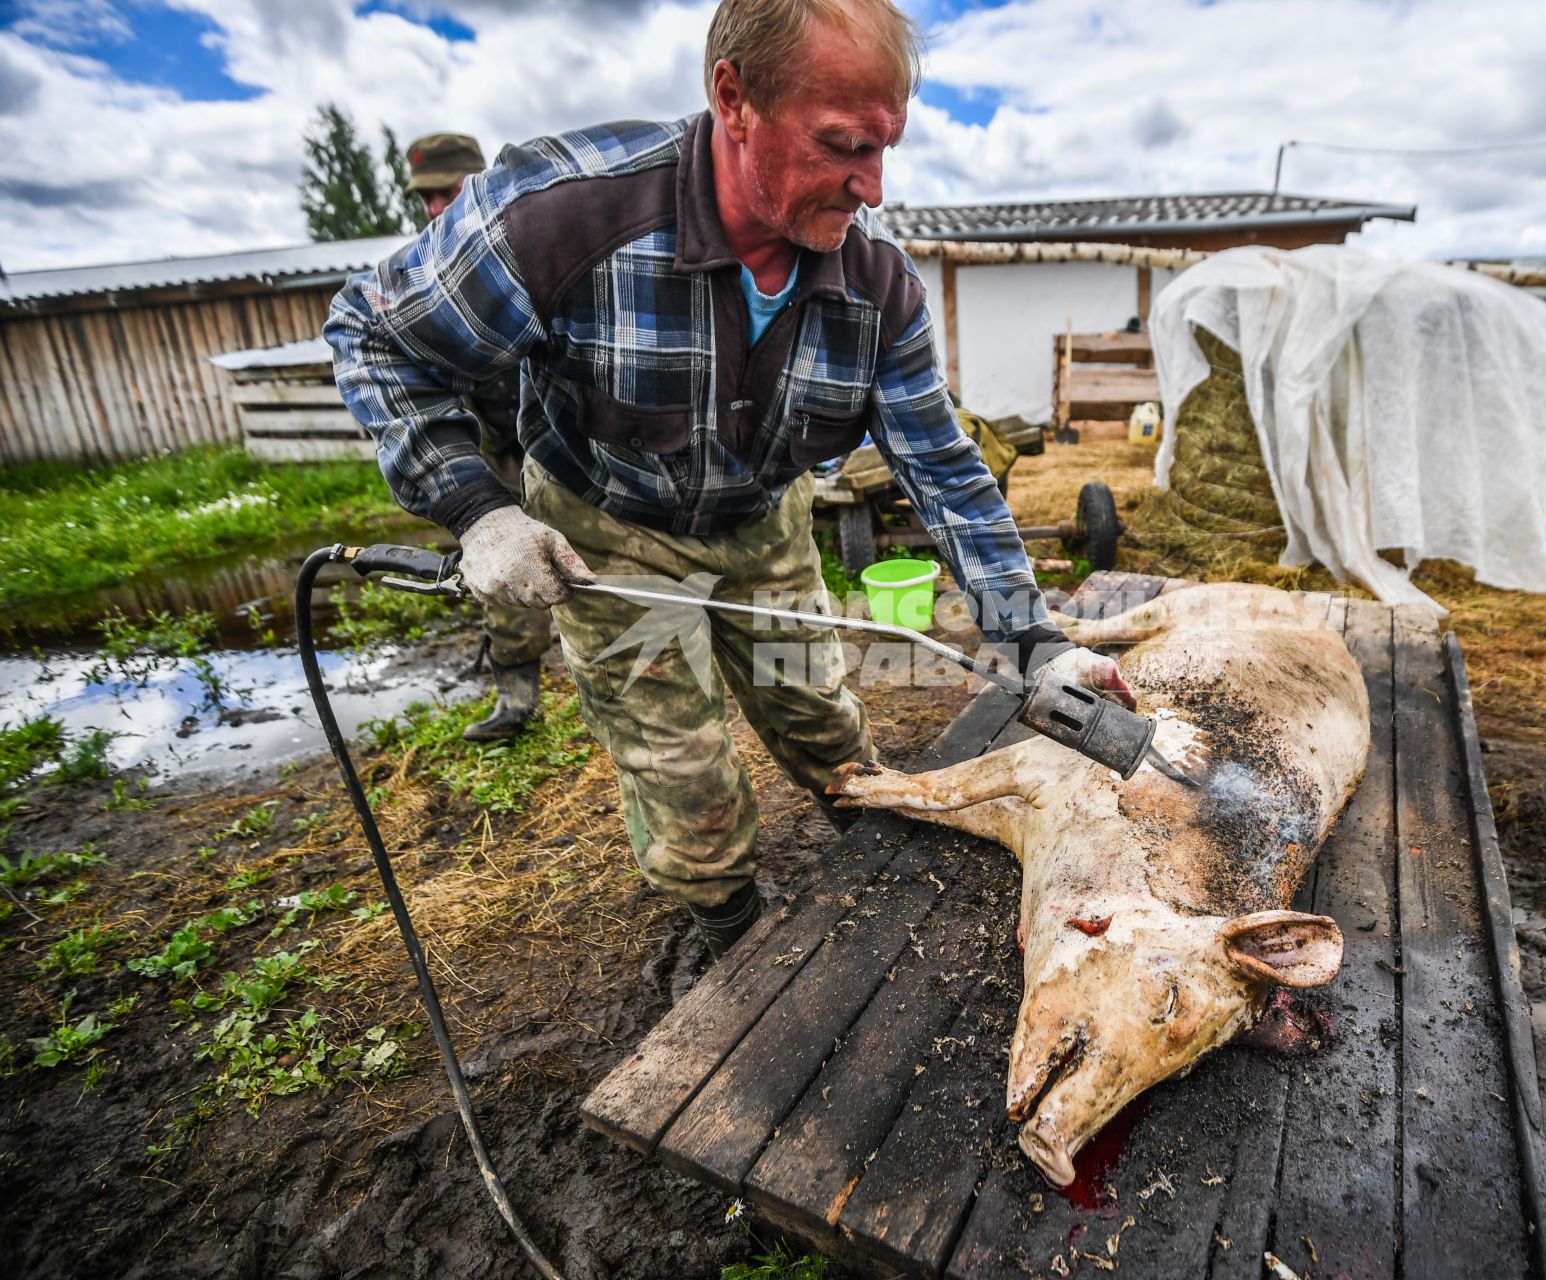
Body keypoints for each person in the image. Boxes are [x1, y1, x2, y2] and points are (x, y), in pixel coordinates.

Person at [328, 0, 1132, 959]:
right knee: (683, 772)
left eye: (885, 148)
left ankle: (879, 858)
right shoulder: (562, 214)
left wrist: (1034, 636)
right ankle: (727, 926)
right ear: (733, 97)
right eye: (842, 145)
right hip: (606, 533)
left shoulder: (878, 290)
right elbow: (374, 335)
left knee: (822, 717)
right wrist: (476, 508)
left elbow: (945, 469)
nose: (870, 187)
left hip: (762, 528)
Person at [402, 132, 553, 741]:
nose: (438, 207)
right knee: (499, 567)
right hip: (495, 447)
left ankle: (632, 680)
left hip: (564, 441)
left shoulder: (530, 237)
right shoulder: (423, 269)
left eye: (449, 190)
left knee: (604, 562)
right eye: (427, 196)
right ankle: (516, 702)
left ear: (479, 180)